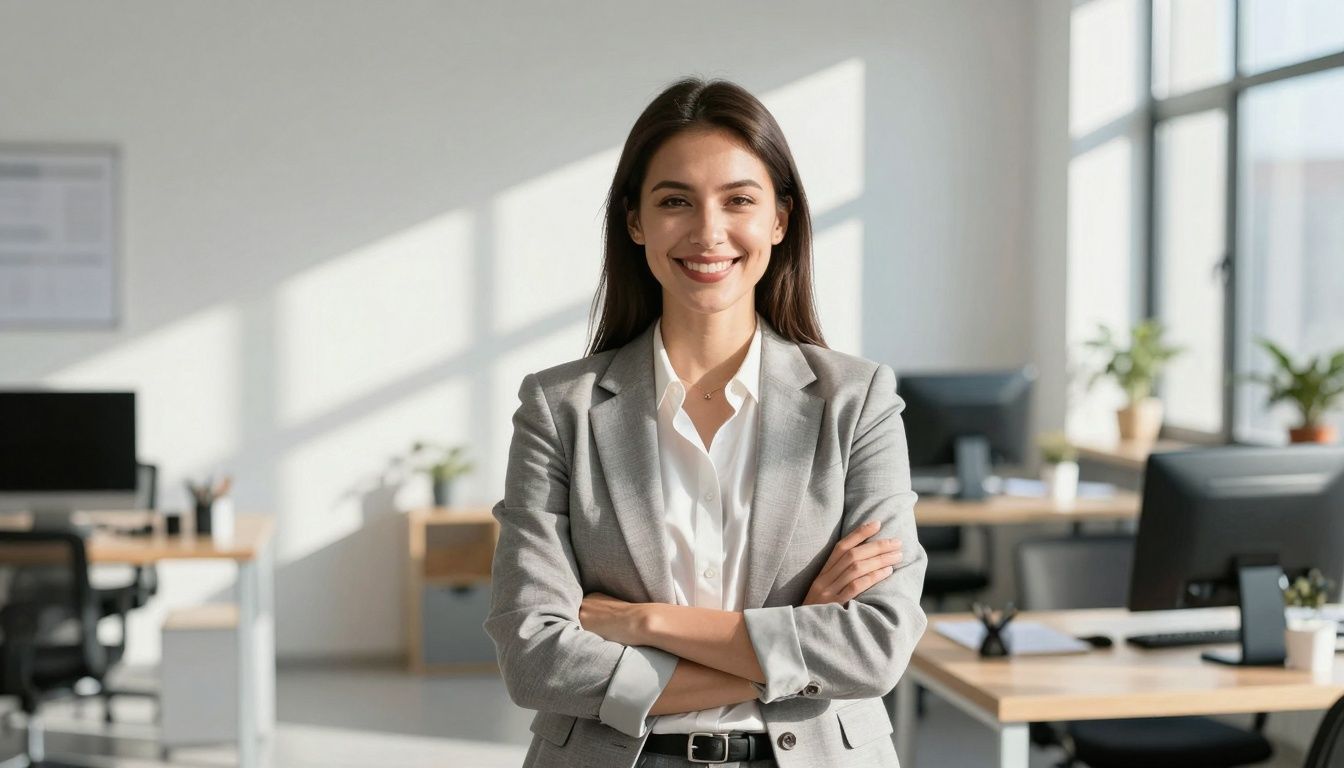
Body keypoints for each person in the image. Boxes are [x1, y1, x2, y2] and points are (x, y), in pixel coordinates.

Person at [485, 77, 927, 768]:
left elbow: (875, 647)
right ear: (635, 222)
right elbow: (535, 657)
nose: (708, 231)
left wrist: (644, 623)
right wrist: (795, 640)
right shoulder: (558, 408)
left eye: (739, 201)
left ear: (780, 219)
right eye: (674, 202)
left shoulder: (858, 400)